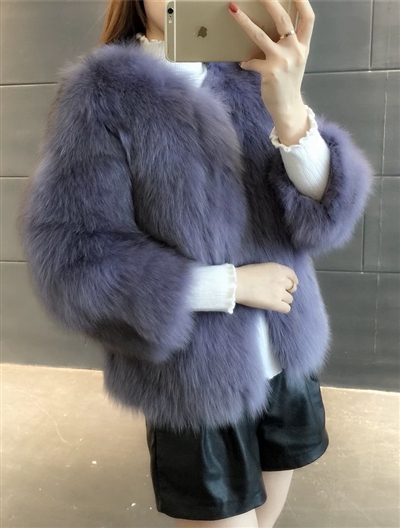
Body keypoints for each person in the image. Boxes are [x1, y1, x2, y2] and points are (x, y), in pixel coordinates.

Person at [19, 0, 374, 526]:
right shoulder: (102, 94)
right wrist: (228, 286)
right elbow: (74, 257)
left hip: (286, 356)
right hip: (193, 380)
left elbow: (327, 216)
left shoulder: (255, 70)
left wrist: (290, 109)